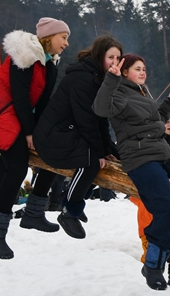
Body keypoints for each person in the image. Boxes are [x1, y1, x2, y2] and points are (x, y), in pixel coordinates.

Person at [93, 53, 170, 291]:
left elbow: (154, 119)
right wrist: (110, 80)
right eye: (137, 69)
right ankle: (152, 264)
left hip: (161, 153)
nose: (143, 72)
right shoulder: (119, 93)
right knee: (166, 205)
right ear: (124, 72)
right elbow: (101, 109)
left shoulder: (143, 93)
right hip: (139, 158)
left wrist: (169, 104)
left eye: (144, 68)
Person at [0, 19, 71, 259]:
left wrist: (47, 131)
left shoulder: (50, 65)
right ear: (49, 37)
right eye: (63, 37)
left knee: (54, 152)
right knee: (17, 170)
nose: (66, 43)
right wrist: (30, 132)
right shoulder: (25, 58)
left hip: (20, 119)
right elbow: (19, 97)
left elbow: (41, 104)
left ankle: (34, 213)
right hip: (1, 115)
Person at [33, 35, 122, 239]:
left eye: (118, 58)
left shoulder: (98, 78)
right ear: (100, 56)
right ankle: (69, 211)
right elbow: (86, 120)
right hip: (52, 136)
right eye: (111, 57)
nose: (114, 63)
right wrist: (99, 152)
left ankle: (76, 196)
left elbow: (100, 119)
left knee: (112, 158)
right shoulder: (84, 78)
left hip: (68, 131)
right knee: (92, 160)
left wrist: (108, 150)